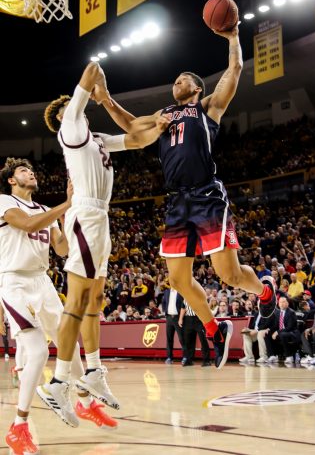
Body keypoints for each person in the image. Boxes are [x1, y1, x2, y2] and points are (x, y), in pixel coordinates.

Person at [92, 24, 276, 369]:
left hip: (207, 195)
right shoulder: (164, 116)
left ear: (196, 87)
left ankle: (265, 292)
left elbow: (234, 71)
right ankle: (215, 328)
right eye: (174, 80)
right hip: (176, 202)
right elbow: (132, 127)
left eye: (182, 80)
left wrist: (233, 36)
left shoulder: (207, 108)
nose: (175, 83)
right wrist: (104, 99)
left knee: (230, 276)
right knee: (177, 279)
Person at [37, 61, 170, 425]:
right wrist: (101, 91)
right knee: (78, 300)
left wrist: (158, 127)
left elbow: (137, 139)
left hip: (101, 217)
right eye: (71, 106)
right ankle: (60, 381)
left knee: (94, 300)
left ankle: (93, 371)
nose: (77, 108)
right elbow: (93, 67)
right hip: (84, 215)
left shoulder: (97, 140)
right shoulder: (70, 129)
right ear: (63, 118)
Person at [0, 158, 117, 455]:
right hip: (14, 283)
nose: (31, 173)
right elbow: (25, 224)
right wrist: (66, 204)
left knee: (69, 344)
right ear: (12, 180)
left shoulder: (43, 210)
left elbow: (62, 249)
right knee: (38, 351)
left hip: (43, 281)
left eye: (31, 170)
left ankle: (84, 402)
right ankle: (18, 427)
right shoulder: (3, 201)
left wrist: (71, 221)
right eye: (24, 171)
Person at [179, 299, 211, 367]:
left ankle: (207, 360)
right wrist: (180, 319)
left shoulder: (198, 295)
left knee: (203, 340)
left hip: (199, 319)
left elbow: (205, 307)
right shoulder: (185, 297)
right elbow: (183, 307)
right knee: (188, 341)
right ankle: (189, 360)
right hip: (188, 319)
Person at [161, 287, 187, 364]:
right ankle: (169, 357)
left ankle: (185, 357)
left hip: (178, 317)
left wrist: (181, 317)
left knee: (181, 338)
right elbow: (164, 302)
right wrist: (165, 312)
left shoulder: (181, 291)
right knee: (169, 339)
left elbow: (184, 304)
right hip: (169, 318)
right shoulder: (167, 291)